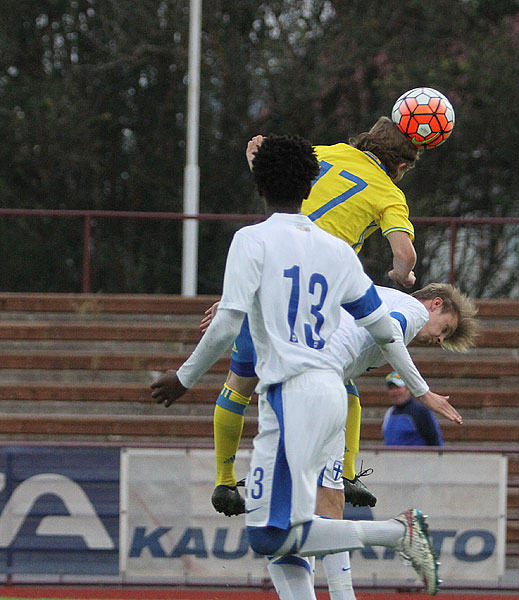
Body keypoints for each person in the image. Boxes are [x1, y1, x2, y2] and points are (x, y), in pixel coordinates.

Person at [150, 135, 442, 598]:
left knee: (269, 532)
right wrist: (420, 387)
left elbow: (227, 322)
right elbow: (384, 328)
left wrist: (184, 377)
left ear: (260, 187)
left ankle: (397, 532)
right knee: (287, 533)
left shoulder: (251, 240)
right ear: (312, 185)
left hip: (292, 398)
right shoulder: (337, 251)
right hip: (330, 394)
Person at [207, 282, 477, 599]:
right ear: (435, 303)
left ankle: (393, 539)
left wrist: (238, 301)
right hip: (299, 388)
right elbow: (387, 332)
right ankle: (386, 547)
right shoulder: (411, 308)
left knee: (277, 527)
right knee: (277, 530)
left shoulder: (370, 293)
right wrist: (423, 392)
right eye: (446, 328)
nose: (440, 339)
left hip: (303, 388)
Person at [220, 118, 424, 511]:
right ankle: (346, 476)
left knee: (239, 385)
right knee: (339, 379)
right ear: (401, 167)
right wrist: (403, 275)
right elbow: (404, 256)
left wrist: (255, 156)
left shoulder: (325, 153)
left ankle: (224, 479)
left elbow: (268, 162)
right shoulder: (388, 194)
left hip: (269, 277)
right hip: (321, 291)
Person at [382, 372, 444, 446]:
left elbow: (435, 441)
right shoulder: (389, 413)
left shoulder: (421, 411)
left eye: (398, 387)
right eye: (391, 388)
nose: (395, 392)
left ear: (408, 388)